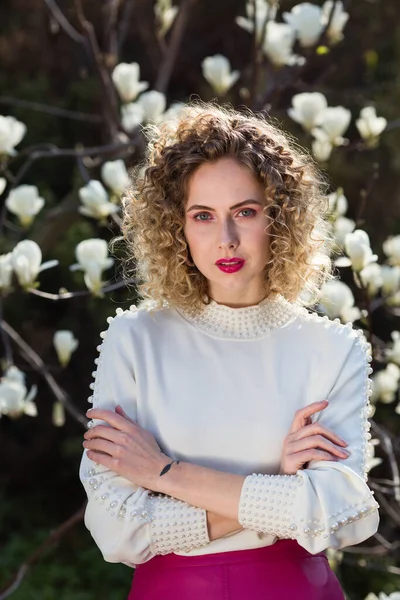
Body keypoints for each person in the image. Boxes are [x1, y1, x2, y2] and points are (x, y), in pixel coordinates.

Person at [79, 102, 379, 600]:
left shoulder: (332, 349)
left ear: (280, 219)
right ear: (176, 227)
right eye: (203, 216)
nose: (226, 239)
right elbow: (118, 532)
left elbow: (343, 514)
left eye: (245, 212)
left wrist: (163, 474)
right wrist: (278, 488)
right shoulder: (134, 341)